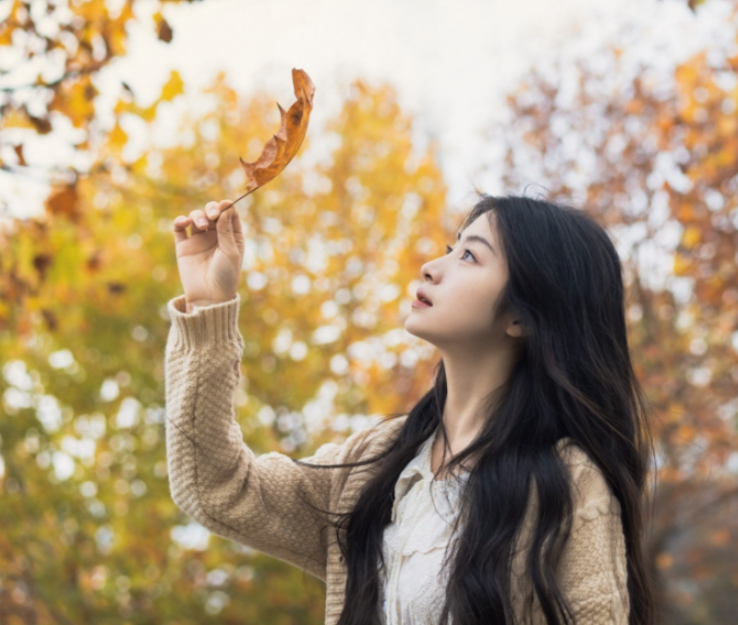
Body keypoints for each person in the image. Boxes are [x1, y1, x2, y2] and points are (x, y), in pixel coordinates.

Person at [166, 194, 656, 624]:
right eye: (451, 248)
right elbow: (217, 488)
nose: (432, 267)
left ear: (522, 316)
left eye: (469, 256)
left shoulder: (569, 484)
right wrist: (210, 305)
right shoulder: (378, 464)